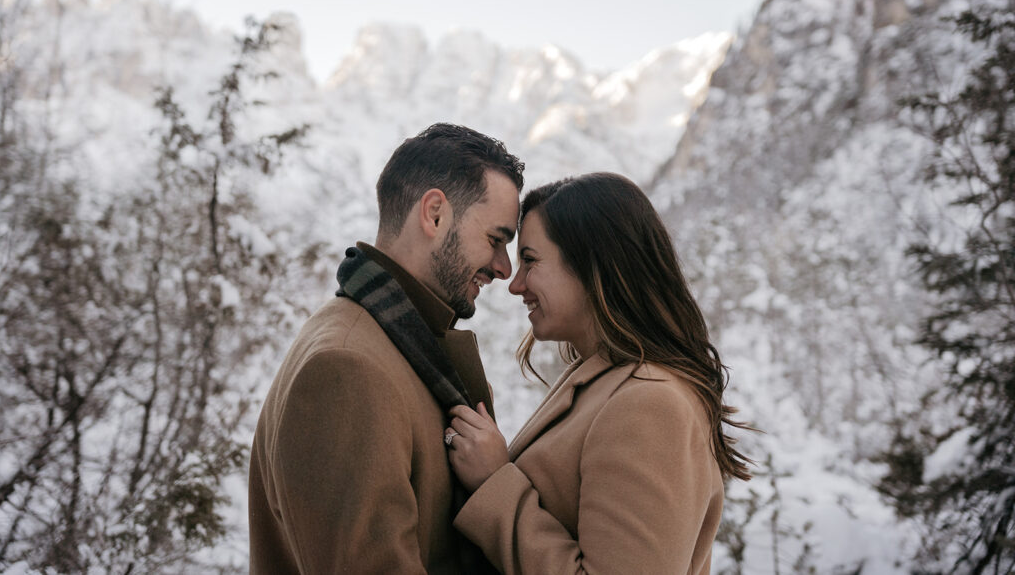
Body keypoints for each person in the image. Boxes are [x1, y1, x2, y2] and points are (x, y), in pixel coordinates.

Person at [443, 172, 753, 575]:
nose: (515, 285)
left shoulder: (649, 404)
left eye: (531, 261)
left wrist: (494, 483)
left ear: (593, 267)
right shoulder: (602, 379)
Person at [248, 123, 524, 574]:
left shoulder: (397, 343)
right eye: (496, 240)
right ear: (435, 214)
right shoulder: (347, 368)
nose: (503, 268)